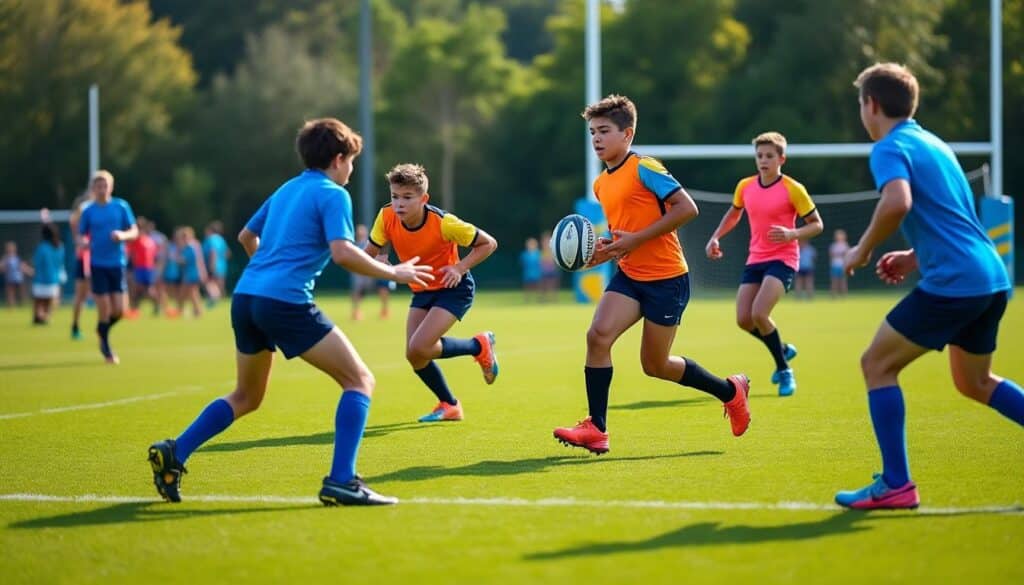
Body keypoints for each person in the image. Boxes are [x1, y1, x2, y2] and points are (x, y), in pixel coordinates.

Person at [147, 118, 432, 506]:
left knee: (246, 396)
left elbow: (246, 237)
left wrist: (267, 276)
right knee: (359, 380)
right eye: (351, 161)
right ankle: (342, 480)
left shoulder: (286, 189)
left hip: (246, 297)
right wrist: (394, 273)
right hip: (284, 301)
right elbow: (343, 252)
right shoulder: (333, 194)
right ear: (337, 158)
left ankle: (175, 451)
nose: (351, 169)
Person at [836, 63, 1021, 510]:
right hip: (991, 277)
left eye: (861, 103)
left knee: (876, 365)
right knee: (975, 382)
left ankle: (896, 484)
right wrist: (913, 257)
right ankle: (896, 483)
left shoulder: (889, 146)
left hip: (956, 283)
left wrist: (862, 248)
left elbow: (898, 201)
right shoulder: (935, 144)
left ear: (872, 105)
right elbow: (956, 220)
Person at [553, 95, 751, 454]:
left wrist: (636, 240)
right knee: (598, 337)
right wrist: (601, 253)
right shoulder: (600, 184)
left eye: (604, 131)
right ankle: (597, 428)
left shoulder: (646, 167)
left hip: (666, 279)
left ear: (627, 134)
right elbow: (622, 234)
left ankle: (730, 391)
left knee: (655, 365)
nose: (596, 139)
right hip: (630, 276)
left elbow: (686, 208)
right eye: (592, 132)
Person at [363, 163, 499, 423]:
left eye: (407, 197)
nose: (399, 204)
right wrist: (381, 261)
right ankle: (450, 405)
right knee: (414, 355)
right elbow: (368, 254)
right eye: (394, 196)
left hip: (453, 289)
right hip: (422, 290)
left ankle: (478, 345)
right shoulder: (387, 216)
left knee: (419, 346)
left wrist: (460, 267)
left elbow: (488, 243)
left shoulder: (444, 223)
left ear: (423, 199)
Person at [704, 132, 824, 396]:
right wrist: (715, 237)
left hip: (784, 260)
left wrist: (793, 234)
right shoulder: (745, 186)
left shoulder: (793, 188)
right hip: (755, 258)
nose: (763, 160)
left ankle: (784, 370)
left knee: (760, 313)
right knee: (744, 320)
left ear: (782, 158)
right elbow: (734, 214)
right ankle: (781, 348)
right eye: (759, 156)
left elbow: (817, 225)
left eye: (769, 156)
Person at [78, 170, 138, 364]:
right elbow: (80, 235)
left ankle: (102, 329)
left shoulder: (121, 206)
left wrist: (122, 235)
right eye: (98, 186)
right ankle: (106, 349)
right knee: (104, 309)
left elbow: (134, 231)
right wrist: (83, 243)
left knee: (119, 311)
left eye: (105, 185)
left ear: (110, 187)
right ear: (93, 189)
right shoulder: (88, 211)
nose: (102, 189)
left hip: (117, 264)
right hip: (98, 264)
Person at [350, 224, 395, 321]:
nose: (360, 233)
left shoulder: (370, 244)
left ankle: (384, 310)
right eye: (359, 232)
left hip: (373, 270)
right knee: (358, 291)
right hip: (360, 272)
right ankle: (356, 311)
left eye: (362, 231)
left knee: (383, 288)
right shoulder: (353, 245)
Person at [68, 190, 94, 338]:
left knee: (86, 295)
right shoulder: (84, 211)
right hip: (85, 257)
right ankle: (75, 326)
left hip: (96, 256)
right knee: (81, 295)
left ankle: (76, 326)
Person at [125, 217, 158, 318]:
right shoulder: (144, 239)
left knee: (146, 291)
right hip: (141, 268)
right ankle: (135, 309)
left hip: (145, 268)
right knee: (137, 289)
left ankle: (157, 305)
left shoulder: (143, 239)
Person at [31, 224, 64, 324]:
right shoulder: (60, 246)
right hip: (53, 281)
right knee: (47, 306)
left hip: (40, 280)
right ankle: (45, 317)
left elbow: (36, 263)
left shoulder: (42, 247)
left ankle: (40, 316)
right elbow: (60, 263)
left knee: (38, 306)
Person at [179, 226, 209, 318]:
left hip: (193, 273)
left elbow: (196, 260)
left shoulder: (191, 246)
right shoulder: (193, 245)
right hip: (191, 272)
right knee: (192, 292)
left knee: (192, 292)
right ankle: (195, 311)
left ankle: (196, 311)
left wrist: (202, 272)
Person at [202, 220, 230, 305]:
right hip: (222, 265)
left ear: (210, 230)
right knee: (220, 284)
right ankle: (221, 302)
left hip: (213, 264)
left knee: (210, 283)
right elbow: (227, 253)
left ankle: (213, 301)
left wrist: (212, 265)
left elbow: (213, 252)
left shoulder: (210, 239)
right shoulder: (221, 239)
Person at [2, 241, 30, 307]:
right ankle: (12, 306)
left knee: (22, 292)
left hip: (18, 277)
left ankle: (24, 304)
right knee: (10, 293)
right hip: (10, 278)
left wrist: (29, 271)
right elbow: (2, 267)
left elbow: (22, 266)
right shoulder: (6, 258)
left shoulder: (17, 258)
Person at [829, 229, 850, 298]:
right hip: (835, 265)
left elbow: (847, 254)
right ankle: (834, 295)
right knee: (834, 281)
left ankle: (844, 295)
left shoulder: (845, 245)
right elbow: (831, 255)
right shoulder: (833, 246)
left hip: (843, 266)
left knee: (843, 281)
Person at [520, 237, 542, 302]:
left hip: (537, 273)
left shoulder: (539, 254)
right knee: (527, 287)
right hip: (527, 274)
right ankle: (527, 299)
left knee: (538, 287)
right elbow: (522, 263)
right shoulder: (524, 254)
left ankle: (539, 299)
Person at [539, 231, 559, 302]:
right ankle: (543, 299)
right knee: (543, 286)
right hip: (544, 271)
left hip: (552, 270)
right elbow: (541, 261)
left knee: (552, 285)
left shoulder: (553, 251)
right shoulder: (542, 252)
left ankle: (553, 299)